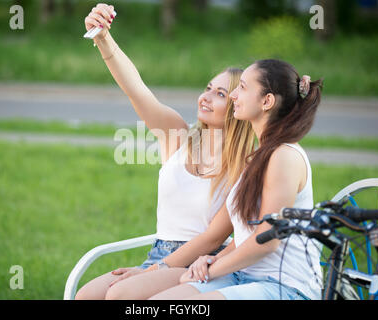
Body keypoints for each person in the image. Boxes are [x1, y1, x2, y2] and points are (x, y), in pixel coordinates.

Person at [75, 4, 254, 300]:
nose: (205, 97)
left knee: (120, 295)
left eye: (220, 94)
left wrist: (151, 272)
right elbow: (136, 90)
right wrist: (103, 38)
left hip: (200, 263)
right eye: (208, 88)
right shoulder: (178, 135)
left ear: (238, 104)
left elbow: (215, 237)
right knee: (86, 297)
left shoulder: (244, 164)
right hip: (159, 253)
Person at [143, 59, 324, 300]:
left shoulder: (284, 156)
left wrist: (212, 269)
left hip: (284, 285)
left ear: (267, 101)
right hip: (244, 276)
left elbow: (267, 240)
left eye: (243, 88)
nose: (233, 96)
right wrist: (213, 259)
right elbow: (245, 236)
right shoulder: (258, 157)